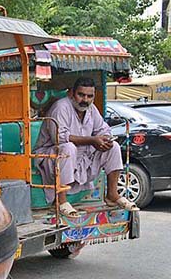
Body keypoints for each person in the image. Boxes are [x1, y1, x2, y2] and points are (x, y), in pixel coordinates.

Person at [33, 77, 138, 217]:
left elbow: (103, 129)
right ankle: (60, 200)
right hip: (50, 156)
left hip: (81, 156)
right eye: (81, 95)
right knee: (68, 148)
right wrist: (93, 140)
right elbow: (59, 138)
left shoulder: (91, 109)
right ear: (71, 93)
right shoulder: (61, 107)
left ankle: (112, 194)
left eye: (90, 96)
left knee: (114, 147)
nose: (85, 100)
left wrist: (106, 140)